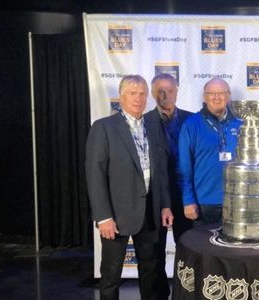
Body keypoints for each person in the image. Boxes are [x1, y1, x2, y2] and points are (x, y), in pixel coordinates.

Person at [86, 75, 173, 300]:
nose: (138, 98)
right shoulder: (104, 127)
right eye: (132, 93)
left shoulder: (154, 125)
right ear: (121, 96)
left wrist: (165, 206)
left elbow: (161, 169)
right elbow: (94, 175)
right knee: (111, 275)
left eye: (142, 94)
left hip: (151, 212)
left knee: (152, 272)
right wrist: (103, 216)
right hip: (116, 215)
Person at [177, 77, 241, 226]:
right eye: (211, 93)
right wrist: (188, 201)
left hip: (236, 201)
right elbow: (184, 168)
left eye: (221, 93)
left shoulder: (240, 125)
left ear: (229, 95)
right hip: (203, 203)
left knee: (235, 248)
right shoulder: (191, 124)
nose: (217, 97)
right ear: (204, 97)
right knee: (204, 248)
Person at [145, 73, 193, 242]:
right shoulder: (143, 122)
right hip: (156, 197)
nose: (166, 96)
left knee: (189, 246)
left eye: (170, 90)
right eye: (160, 91)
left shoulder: (192, 120)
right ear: (152, 93)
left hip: (186, 195)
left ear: (177, 91)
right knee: (154, 252)